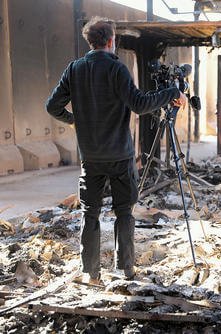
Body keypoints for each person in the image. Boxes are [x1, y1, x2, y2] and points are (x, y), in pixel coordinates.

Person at [46, 17, 187, 283]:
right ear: (112, 41)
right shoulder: (117, 69)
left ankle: (91, 273)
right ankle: (126, 269)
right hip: (121, 157)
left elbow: (52, 106)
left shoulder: (74, 69)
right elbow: (139, 104)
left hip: (91, 157)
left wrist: (73, 119)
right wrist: (170, 93)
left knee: (90, 214)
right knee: (124, 212)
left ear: (91, 41)